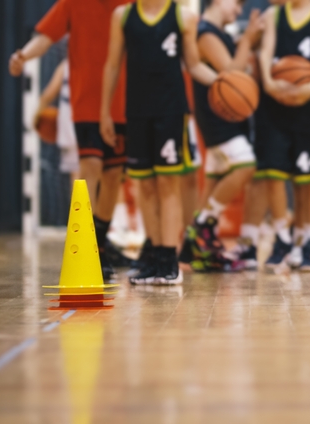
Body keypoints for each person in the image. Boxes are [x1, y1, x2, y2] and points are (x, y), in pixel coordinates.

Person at [9, 0, 133, 282]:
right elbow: (44, 38)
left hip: (123, 102)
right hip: (86, 101)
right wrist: (23, 56)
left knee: (114, 174)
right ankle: (87, 246)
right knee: (90, 168)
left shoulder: (131, 5)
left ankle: (100, 243)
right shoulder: (73, 3)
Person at [100, 0, 219, 285]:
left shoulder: (182, 17)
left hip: (170, 112)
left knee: (167, 185)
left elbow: (193, 65)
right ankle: (153, 256)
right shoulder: (123, 16)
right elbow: (113, 64)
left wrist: (223, 81)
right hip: (137, 112)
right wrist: (104, 111)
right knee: (145, 185)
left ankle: (169, 260)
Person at [178, 0, 263, 272]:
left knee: (214, 179)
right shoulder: (205, 32)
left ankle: (196, 246)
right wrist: (248, 41)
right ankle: (203, 224)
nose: (238, 11)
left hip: (225, 115)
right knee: (246, 166)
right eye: (236, 4)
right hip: (217, 115)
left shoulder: (221, 33)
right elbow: (231, 72)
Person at [255, 0, 310, 272]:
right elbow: (265, 52)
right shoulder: (274, 14)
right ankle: (281, 238)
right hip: (274, 106)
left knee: (309, 180)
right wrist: (268, 82)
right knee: (273, 174)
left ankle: (309, 241)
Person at [37, 59, 80, 186]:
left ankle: (81, 207)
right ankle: (109, 206)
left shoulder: (66, 65)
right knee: (107, 175)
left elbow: (48, 94)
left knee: (78, 179)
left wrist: (36, 118)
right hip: (94, 126)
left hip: (72, 130)